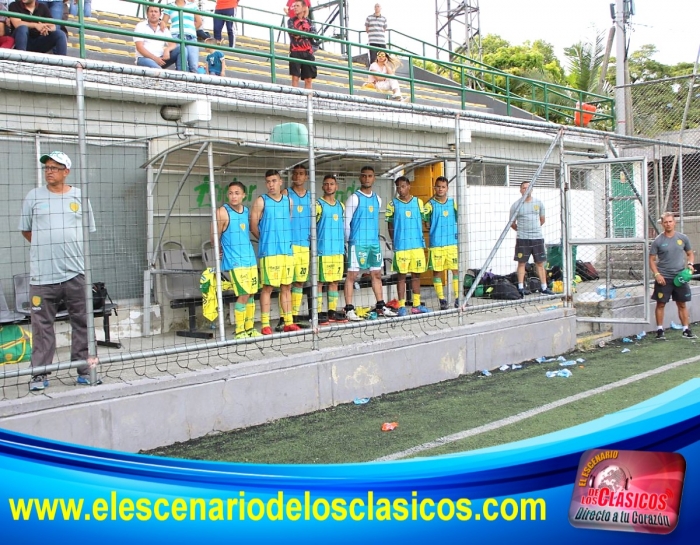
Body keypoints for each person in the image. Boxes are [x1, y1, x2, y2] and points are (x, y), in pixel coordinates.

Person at [18, 151, 98, 391]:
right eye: (47, 167)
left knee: (83, 323)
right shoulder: (33, 197)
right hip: (42, 277)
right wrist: (46, 246)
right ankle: (39, 375)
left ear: (66, 172)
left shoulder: (80, 198)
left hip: (76, 273)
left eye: (55, 167)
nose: (49, 171)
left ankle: (85, 371)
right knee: (41, 328)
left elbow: (86, 231)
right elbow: (26, 230)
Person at [249, 170, 301, 335]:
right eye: (268, 182)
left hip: (286, 252)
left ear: (280, 182)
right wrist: (265, 240)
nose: (270, 184)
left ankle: (288, 322)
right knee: (267, 288)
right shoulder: (261, 201)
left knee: (287, 287)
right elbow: (253, 226)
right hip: (270, 253)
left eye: (273, 181)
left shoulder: (289, 202)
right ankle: (265, 324)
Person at [343, 166, 397, 321]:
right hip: (357, 242)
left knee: (376, 274)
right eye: (364, 176)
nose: (367, 178)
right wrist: (350, 241)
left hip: (374, 243)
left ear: (374, 178)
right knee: (352, 275)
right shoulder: (354, 198)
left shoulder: (378, 199)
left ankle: (381, 305)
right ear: (360, 178)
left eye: (370, 176)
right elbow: (346, 223)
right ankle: (349, 309)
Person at [213, 181, 261, 339]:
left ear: (243, 195)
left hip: (250, 259)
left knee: (252, 293)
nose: (233, 196)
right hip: (235, 261)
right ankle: (239, 331)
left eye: (237, 193)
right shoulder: (222, 212)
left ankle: (249, 328)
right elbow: (214, 235)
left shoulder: (246, 211)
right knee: (243, 294)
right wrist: (218, 250)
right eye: (231, 193)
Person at [385, 176, 429, 316]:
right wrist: (395, 241)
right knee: (401, 276)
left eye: (403, 186)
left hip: (416, 245)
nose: (400, 189)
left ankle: (416, 305)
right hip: (401, 246)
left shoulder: (418, 202)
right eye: (398, 187)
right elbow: (390, 225)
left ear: (409, 186)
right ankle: (402, 306)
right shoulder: (392, 204)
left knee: (416, 275)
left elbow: (424, 222)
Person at [649, 212, 696, 340]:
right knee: (661, 304)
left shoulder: (683, 238)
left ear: (674, 222)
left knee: (682, 304)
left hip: (680, 277)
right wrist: (657, 274)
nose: (668, 224)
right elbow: (651, 259)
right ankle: (659, 331)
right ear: (662, 224)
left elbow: (690, 253)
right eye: (665, 222)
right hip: (664, 278)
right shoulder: (658, 241)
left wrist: (690, 264)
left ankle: (686, 329)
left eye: (670, 221)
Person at [510, 181, 554, 297]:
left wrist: (533, 229)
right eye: (524, 188)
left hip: (537, 238)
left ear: (532, 190)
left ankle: (544, 288)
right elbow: (512, 223)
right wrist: (522, 231)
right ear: (520, 190)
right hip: (522, 239)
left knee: (540, 263)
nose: (526, 190)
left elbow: (542, 220)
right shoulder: (516, 205)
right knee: (521, 263)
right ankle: (520, 288)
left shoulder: (539, 203)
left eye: (528, 188)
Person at [315, 174, 347, 324]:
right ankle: (319, 312)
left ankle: (332, 311)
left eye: (332, 184)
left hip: (338, 250)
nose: (329, 186)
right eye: (326, 184)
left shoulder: (341, 206)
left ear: (336, 186)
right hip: (323, 250)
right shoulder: (318, 205)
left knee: (334, 281)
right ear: (322, 187)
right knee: (320, 282)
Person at [424, 176, 459, 310]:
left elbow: (457, 218)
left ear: (447, 188)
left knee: (455, 270)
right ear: (435, 187)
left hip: (451, 243)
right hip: (437, 244)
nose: (440, 189)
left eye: (443, 187)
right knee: (437, 272)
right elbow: (425, 222)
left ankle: (457, 298)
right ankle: (442, 300)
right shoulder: (430, 204)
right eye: (438, 186)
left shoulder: (452, 203)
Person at [285, 164, 313, 329]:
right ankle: (285, 317)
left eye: (301, 173)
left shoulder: (311, 197)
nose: (297, 176)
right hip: (290, 245)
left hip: (304, 245)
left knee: (299, 282)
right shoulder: (286, 194)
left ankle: (294, 315)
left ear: (306, 177)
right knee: (286, 283)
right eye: (295, 173)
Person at [133, 5, 180, 69]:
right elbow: (139, 47)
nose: (153, 14)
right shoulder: (141, 26)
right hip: (144, 58)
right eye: (151, 11)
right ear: (147, 14)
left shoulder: (163, 28)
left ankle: (181, 74)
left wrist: (167, 49)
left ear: (160, 14)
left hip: (161, 59)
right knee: (158, 70)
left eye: (155, 11)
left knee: (181, 49)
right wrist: (155, 58)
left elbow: (173, 44)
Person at [162, 0, 202, 73]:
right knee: (182, 60)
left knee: (193, 66)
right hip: (176, 36)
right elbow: (163, 24)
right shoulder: (169, 6)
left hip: (191, 37)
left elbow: (199, 22)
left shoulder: (193, 6)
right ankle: (182, 81)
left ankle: (190, 83)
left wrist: (190, 30)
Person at [287, 0, 317, 89]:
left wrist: (301, 34)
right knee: (295, 78)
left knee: (308, 79)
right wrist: (306, 34)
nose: (295, 7)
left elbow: (314, 34)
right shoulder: (291, 21)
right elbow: (294, 33)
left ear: (304, 8)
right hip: (295, 51)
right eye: (294, 6)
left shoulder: (310, 22)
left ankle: (309, 101)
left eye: (297, 6)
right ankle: (295, 100)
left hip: (308, 52)